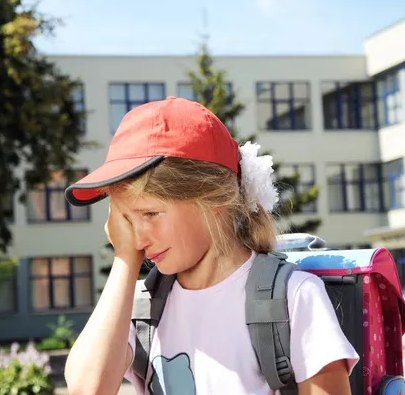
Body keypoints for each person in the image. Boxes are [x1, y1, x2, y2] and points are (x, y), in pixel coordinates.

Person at [63, 96, 359, 395]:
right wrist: (125, 260)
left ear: (213, 200)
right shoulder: (141, 305)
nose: (138, 238)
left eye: (150, 214)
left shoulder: (294, 297)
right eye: (126, 220)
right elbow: (87, 389)